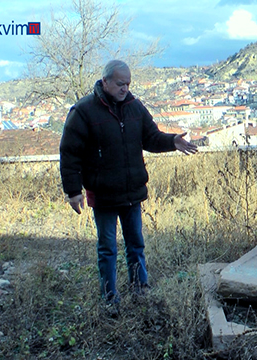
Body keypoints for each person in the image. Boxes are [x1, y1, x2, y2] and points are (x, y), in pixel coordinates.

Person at [59, 60, 198, 314]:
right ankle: (110, 299)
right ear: (105, 82)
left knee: (136, 244)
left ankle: (140, 290)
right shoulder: (83, 111)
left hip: (132, 193)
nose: (125, 88)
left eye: (128, 84)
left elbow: (151, 137)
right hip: (103, 196)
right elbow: (70, 153)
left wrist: (172, 141)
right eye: (121, 83)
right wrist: (73, 191)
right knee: (107, 248)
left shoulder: (135, 108)